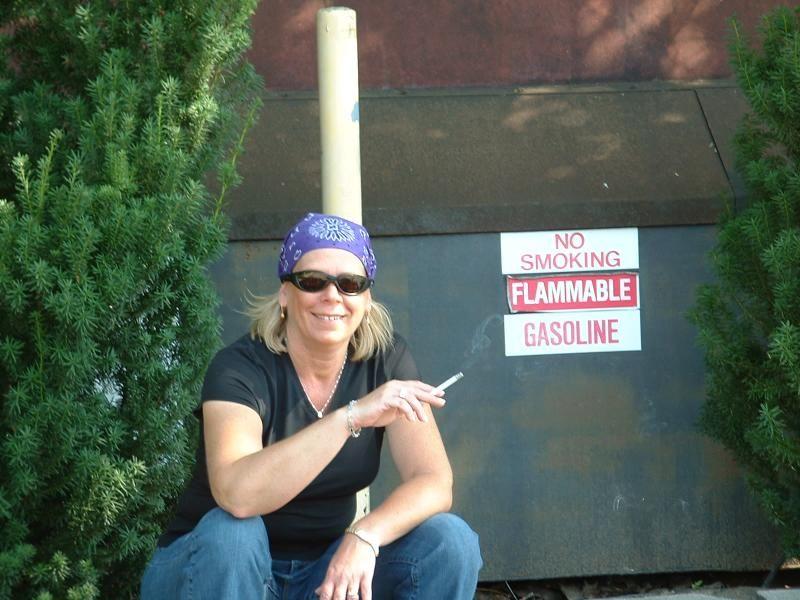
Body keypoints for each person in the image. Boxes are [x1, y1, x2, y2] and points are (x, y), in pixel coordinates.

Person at [140, 212, 482, 600]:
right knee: (234, 532)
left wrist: (364, 535)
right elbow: (238, 495)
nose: (332, 296)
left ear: (366, 299)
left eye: (350, 284)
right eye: (313, 281)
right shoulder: (240, 368)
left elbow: (433, 481)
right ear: (285, 294)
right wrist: (351, 416)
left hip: (323, 572)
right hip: (213, 571)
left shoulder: (384, 360)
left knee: (449, 541)